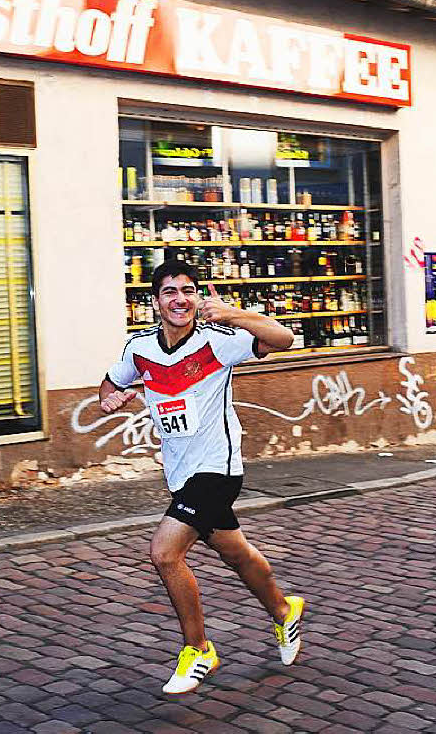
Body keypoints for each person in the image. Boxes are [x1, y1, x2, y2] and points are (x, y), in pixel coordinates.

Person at [99, 258, 305, 695]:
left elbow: (283, 339)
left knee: (164, 552)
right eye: (170, 292)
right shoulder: (140, 349)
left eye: (188, 290)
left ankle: (199, 650)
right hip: (180, 473)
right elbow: (111, 381)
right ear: (155, 301)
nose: (180, 299)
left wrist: (233, 314)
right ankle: (284, 611)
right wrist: (110, 399)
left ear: (197, 297)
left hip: (218, 468)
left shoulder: (219, 341)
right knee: (236, 554)